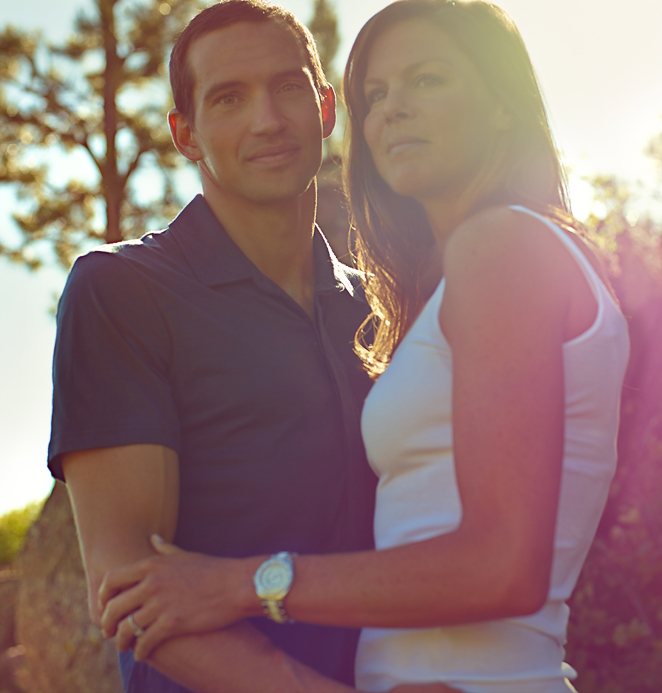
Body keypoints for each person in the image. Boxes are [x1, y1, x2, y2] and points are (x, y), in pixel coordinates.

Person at [98, 1, 631, 691]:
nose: (393, 109)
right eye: (375, 94)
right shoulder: (446, 279)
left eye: (427, 80)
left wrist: (242, 583)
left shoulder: (498, 244)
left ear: (503, 105)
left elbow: (503, 565)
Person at [49, 1, 385, 691]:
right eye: (229, 97)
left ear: (324, 108)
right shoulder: (122, 290)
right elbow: (130, 594)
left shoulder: (380, 304)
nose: (267, 119)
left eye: (288, 86)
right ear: (186, 134)